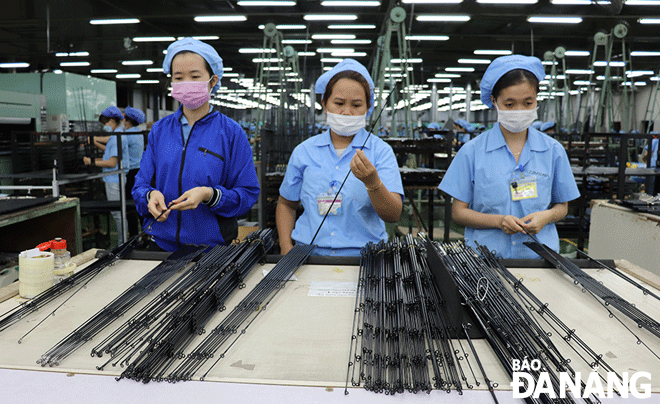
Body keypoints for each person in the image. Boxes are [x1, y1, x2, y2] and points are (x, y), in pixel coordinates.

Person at [438, 55, 580, 258]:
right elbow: (458, 212)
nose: (519, 111)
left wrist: (546, 216)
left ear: (536, 100)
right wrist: (498, 221)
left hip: (540, 258)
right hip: (486, 260)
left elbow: (562, 206)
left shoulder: (553, 151)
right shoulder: (472, 152)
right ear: (494, 101)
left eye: (528, 102)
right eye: (510, 104)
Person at [132, 37, 260, 252]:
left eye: (194, 76)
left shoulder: (230, 132)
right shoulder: (160, 130)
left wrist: (209, 195)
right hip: (162, 245)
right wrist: (149, 196)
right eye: (178, 77)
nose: (186, 84)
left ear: (212, 80)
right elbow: (141, 185)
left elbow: (246, 194)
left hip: (213, 249)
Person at [276, 59, 404, 256]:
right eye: (339, 103)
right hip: (308, 257)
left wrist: (373, 183)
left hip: (364, 259)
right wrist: (286, 249)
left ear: (368, 108)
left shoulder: (380, 152)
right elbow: (286, 204)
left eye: (356, 104)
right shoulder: (304, 152)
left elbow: (393, 214)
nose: (347, 111)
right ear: (324, 105)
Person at [84, 105, 129, 244]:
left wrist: (92, 161)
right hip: (115, 178)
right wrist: (96, 141)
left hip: (114, 179)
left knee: (117, 213)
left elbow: (111, 162)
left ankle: (122, 243)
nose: (105, 126)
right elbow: (109, 152)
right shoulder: (117, 135)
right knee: (119, 212)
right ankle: (123, 242)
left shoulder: (117, 137)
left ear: (112, 121)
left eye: (105, 123)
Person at [122, 105, 145, 199]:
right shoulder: (139, 132)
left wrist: (95, 139)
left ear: (128, 121)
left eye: (124, 119)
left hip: (131, 171)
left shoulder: (128, 134)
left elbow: (117, 146)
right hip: (139, 169)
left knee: (129, 198)